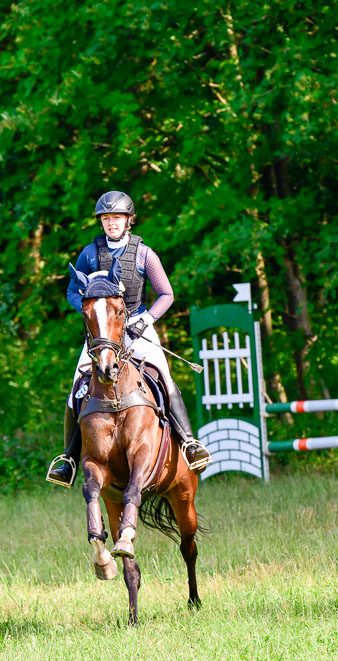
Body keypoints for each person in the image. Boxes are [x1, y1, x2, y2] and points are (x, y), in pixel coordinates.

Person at [46, 190, 211, 487]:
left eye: (117, 218)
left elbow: (167, 294)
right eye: (106, 218)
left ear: (128, 220)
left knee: (163, 376)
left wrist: (145, 321)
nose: (111, 223)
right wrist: (91, 313)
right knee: (76, 388)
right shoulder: (89, 254)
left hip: (138, 324)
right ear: (101, 222)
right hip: (104, 332)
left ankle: (188, 442)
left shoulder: (144, 254)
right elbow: (73, 291)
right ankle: (69, 459)